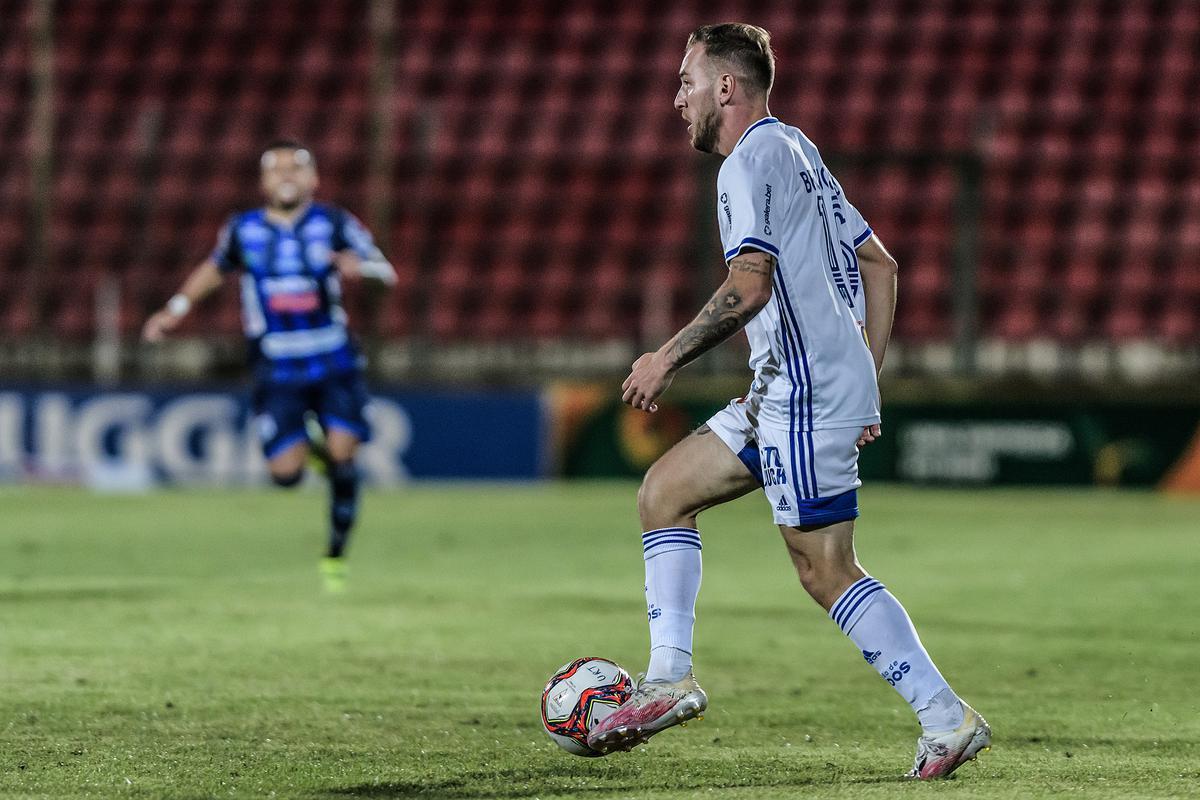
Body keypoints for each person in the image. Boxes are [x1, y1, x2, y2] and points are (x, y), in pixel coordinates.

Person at [586, 24, 990, 779]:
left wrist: (663, 358)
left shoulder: (747, 165)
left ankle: (947, 719)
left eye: (687, 81)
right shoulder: (796, 148)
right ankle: (669, 678)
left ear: (726, 88)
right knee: (664, 492)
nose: (678, 99)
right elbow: (881, 263)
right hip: (786, 389)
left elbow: (748, 286)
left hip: (803, 395)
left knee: (825, 569)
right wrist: (864, 376)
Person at [143, 140, 396, 593]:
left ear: (313, 179)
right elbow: (214, 269)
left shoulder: (334, 222)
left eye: (296, 168)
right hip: (276, 361)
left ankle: (335, 555)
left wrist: (364, 271)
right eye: (276, 169)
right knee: (285, 475)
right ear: (262, 182)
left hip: (332, 356)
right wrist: (174, 308)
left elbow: (385, 272)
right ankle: (312, 452)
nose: (286, 176)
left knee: (344, 454)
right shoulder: (243, 229)